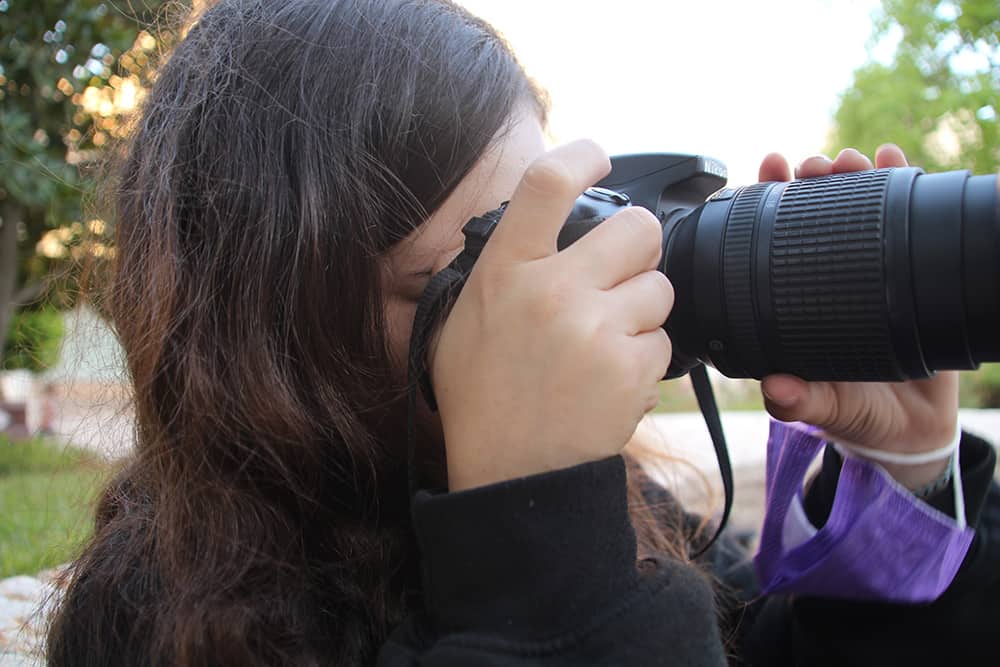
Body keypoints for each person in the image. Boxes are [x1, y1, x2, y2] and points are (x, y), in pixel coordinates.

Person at [45, 1, 999, 665]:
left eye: (556, 228)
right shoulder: (155, 621)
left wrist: (905, 475)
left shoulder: (630, 504)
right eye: (474, 274)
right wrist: (539, 545)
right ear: (274, 347)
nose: (558, 299)